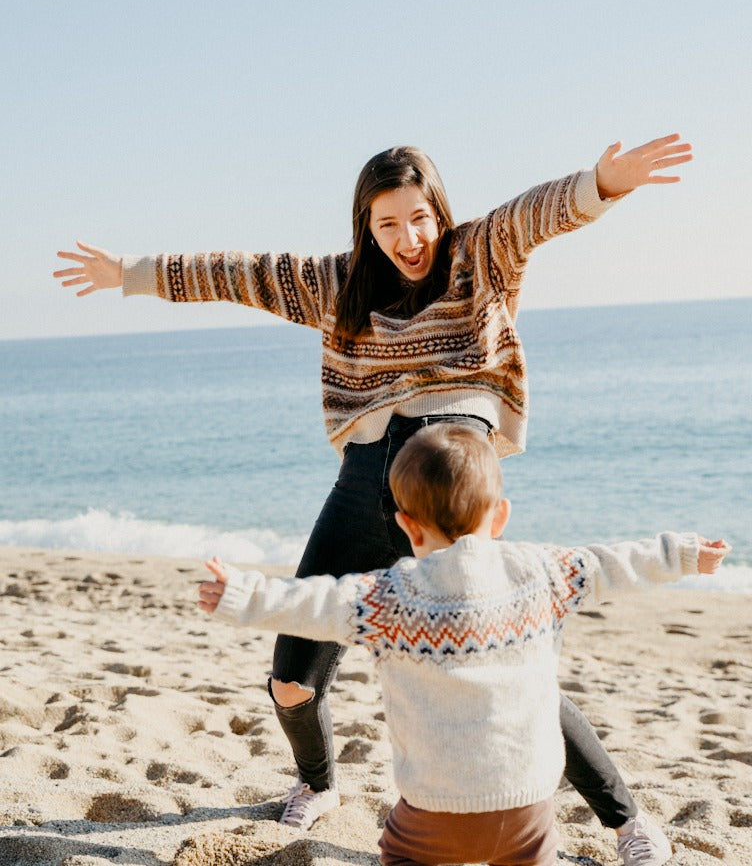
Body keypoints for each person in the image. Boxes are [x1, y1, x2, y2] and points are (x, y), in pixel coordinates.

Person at [54, 132, 692, 859]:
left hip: (452, 501)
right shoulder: (339, 285)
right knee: (291, 682)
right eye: (387, 224)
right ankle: (318, 783)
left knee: (512, 668)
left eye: (419, 217)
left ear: (438, 210)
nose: (408, 237)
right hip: (362, 493)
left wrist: (602, 183)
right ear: (366, 226)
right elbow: (239, 272)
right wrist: (129, 273)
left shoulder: (476, 258)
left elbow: (534, 215)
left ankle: (627, 822)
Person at [197, 422, 731, 866]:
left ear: (405, 524)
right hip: (529, 808)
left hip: (435, 814)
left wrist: (240, 594)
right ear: (500, 515)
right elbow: (614, 563)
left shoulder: (389, 598)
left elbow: (314, 603)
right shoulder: (544, 571)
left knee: (399, 854)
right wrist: (684, 554)